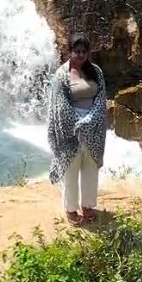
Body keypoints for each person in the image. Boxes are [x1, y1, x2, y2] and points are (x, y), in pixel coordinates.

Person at [47, 32, 108, 226]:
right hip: (70, 131)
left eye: (84, 51)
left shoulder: (96, 71)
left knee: (90, 168)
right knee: (71, 170)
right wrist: (78, 123)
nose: (81, 55)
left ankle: (88, 205)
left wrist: (90, 120)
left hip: (93, 129)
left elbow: (101, 98)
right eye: (77, 51)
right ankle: (71, 209)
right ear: (70, 52)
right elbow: (60, 105)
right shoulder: (61, 75)